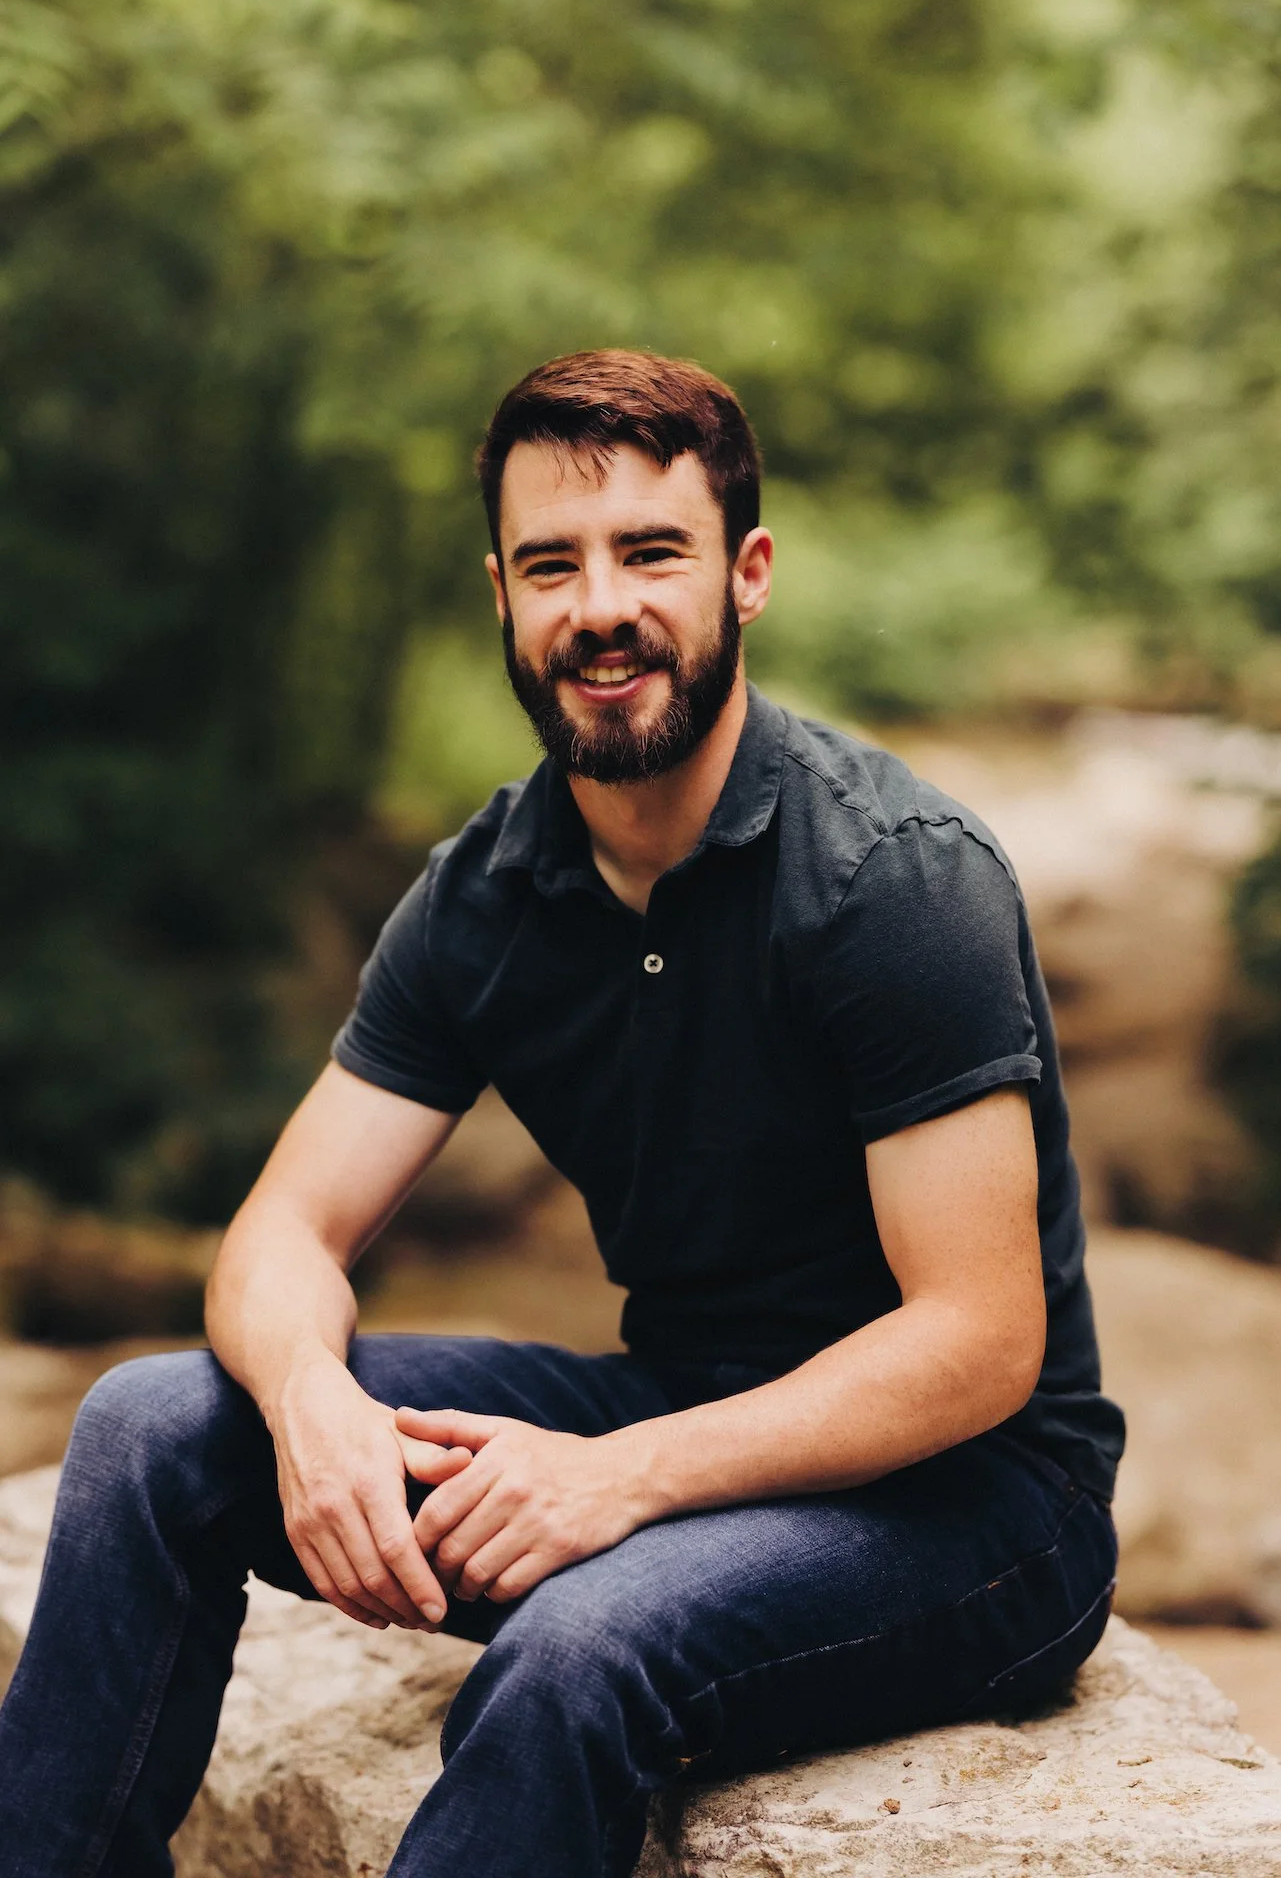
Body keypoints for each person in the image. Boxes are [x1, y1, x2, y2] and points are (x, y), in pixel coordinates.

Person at [0, 349, 1124, 1878]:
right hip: (672, 1405)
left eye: (651, 553)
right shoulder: (487, 892)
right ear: (504, 596)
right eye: (551, 565)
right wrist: (312, 1405)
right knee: (150, 1428)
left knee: (582, 1644)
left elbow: (982, 1342)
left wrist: (618, 1480)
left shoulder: (894, 880)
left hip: (977, 1508)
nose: (600, 607)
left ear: (747, 575)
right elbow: (282, 1233)